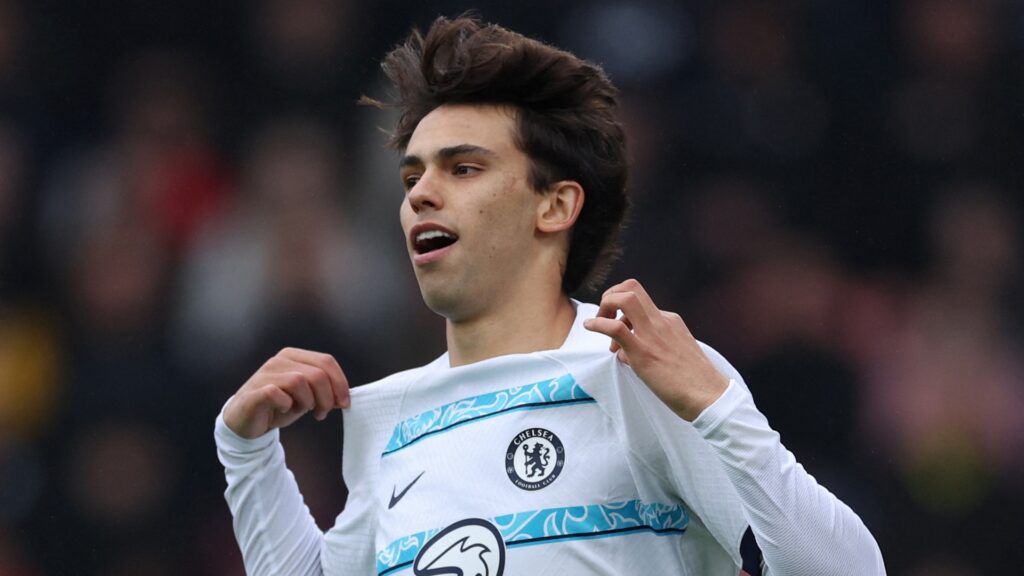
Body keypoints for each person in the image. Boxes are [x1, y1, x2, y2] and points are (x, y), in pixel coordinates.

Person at [215, 16, 886, 576]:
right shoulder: (392, 417)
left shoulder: (638, 375)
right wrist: (246, 454)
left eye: (465, 167)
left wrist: (719, 408)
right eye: (412, 174)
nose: (419, 193)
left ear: (555, 205)